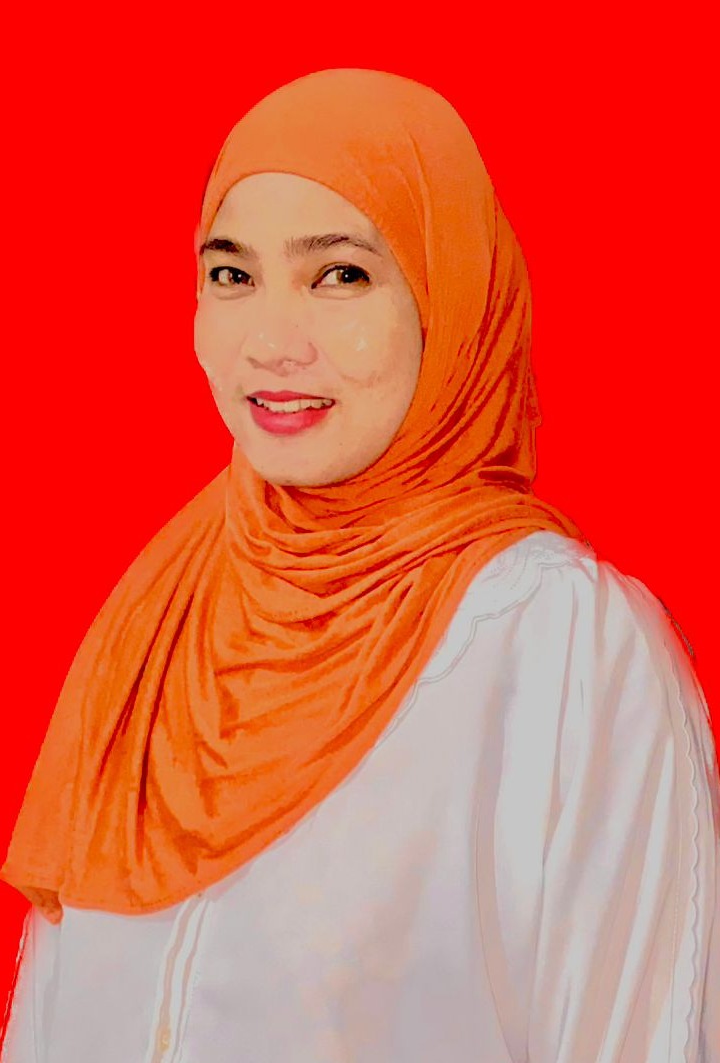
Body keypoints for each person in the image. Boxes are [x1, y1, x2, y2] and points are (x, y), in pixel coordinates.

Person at [1, 68, 718, 1063]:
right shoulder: (160, 619)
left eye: (340, 275)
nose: (270, 342)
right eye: (232, 275)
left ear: (446, 296)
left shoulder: (562, 648)